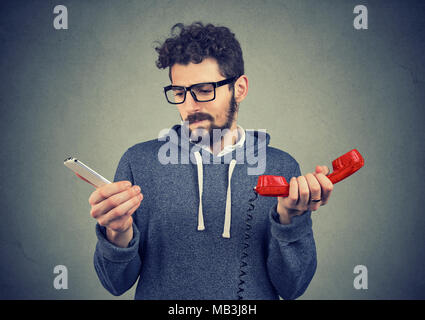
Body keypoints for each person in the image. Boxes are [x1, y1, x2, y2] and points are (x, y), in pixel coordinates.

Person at [87, 22, 334, 300]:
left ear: (239, 88)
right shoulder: (138, 162)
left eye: (204, 90)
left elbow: (293, 287)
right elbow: (114, 284)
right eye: (179, 93)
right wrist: (117, 233)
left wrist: (290, 220)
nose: (191, 105)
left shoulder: (281, 168)